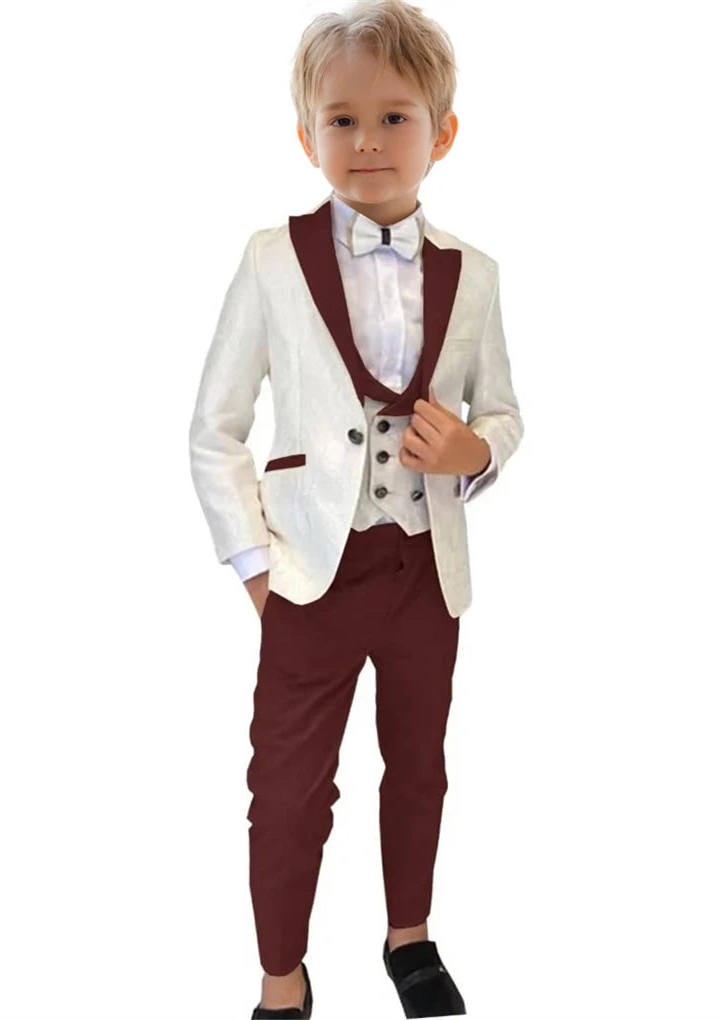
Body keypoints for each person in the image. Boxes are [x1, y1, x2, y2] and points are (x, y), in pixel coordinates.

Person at [188, 1, 523, 1015]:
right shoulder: (271, 258)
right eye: (342, 119)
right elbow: (215, 429)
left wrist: (474, 452)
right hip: (308, 570)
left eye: (394, 117)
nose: (367, 141)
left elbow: (502, 411)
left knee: (418, 764)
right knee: (288, 785)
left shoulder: (474, 275)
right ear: (307, 135)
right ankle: (281, 976)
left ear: (442, 133)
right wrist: (256, 569)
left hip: (425, 567)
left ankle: (408, 937)